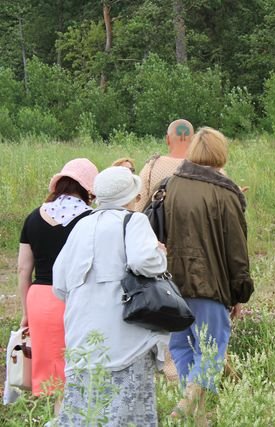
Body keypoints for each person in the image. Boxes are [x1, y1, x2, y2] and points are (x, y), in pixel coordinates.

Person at [52, 166, 168, 426]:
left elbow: (59, 284)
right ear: (131, 195)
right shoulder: (134, 221)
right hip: (127, 339)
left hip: (83, 339)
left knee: (85, 412)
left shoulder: (81, 226)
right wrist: (160, 254)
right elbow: (145, 262)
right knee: (128, 412)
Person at [163, 127, 254, 420]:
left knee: (181, 345)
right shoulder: (226, 192)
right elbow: (236, 250)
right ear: (220, 152)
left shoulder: (171, 185)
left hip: (173, 283)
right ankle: (186, 406)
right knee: (212, 350)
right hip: (211, 286)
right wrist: (240, 291)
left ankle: (197, 415)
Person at [17, 158, 99, 398]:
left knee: (48, 371)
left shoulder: (33, 217)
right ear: (88, 190)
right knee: (78, 367)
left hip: (40, 297)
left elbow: (23, 269)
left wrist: (25, 312)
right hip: (76, 297)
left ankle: (52, 415)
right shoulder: (90, 220)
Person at [135, 119, 194, 211]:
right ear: (194, 140)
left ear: (167, 139)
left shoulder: (151, 167)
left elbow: (138, 205)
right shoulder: (207, 167)